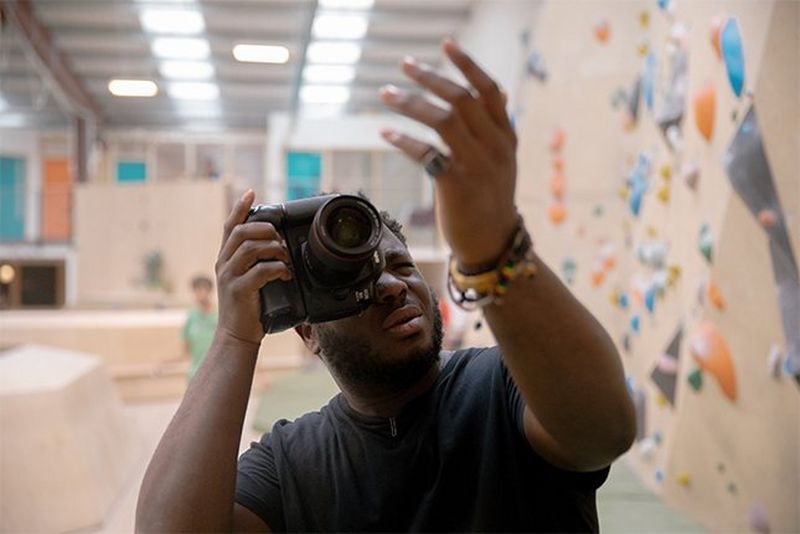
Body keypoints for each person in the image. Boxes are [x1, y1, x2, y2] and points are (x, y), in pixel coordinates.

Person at [136, 39, 636, 532]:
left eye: (400, 265)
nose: (393, 287)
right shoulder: (290, 466)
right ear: (306, 331)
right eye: (357, 283)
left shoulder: (502, 387)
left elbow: (603, 430)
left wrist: (495, 249)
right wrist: (234, 336)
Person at [182, 275, 218, 380]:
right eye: (196, 291)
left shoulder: (221, 315)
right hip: (195, 375)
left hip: (218, 375)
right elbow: (185, 352)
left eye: (202, 290)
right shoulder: (191, 318)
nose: (199, 294)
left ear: (210, 291)